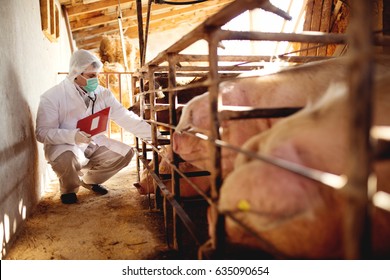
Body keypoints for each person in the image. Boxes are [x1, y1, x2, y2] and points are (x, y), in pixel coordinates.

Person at [36, 49, 156, 204]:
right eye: (91, 76)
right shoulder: (52, 96)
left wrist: (155, 136)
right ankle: (69, 189)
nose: (96, 80)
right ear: (76, 74)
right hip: (65, 146)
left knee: (125, 153)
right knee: (68, 158)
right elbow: (42, 132)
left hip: (92, 143)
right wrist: (72, 136)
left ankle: (89, 181)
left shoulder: (103, 94)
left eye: (97, 75)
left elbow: (125, 117)